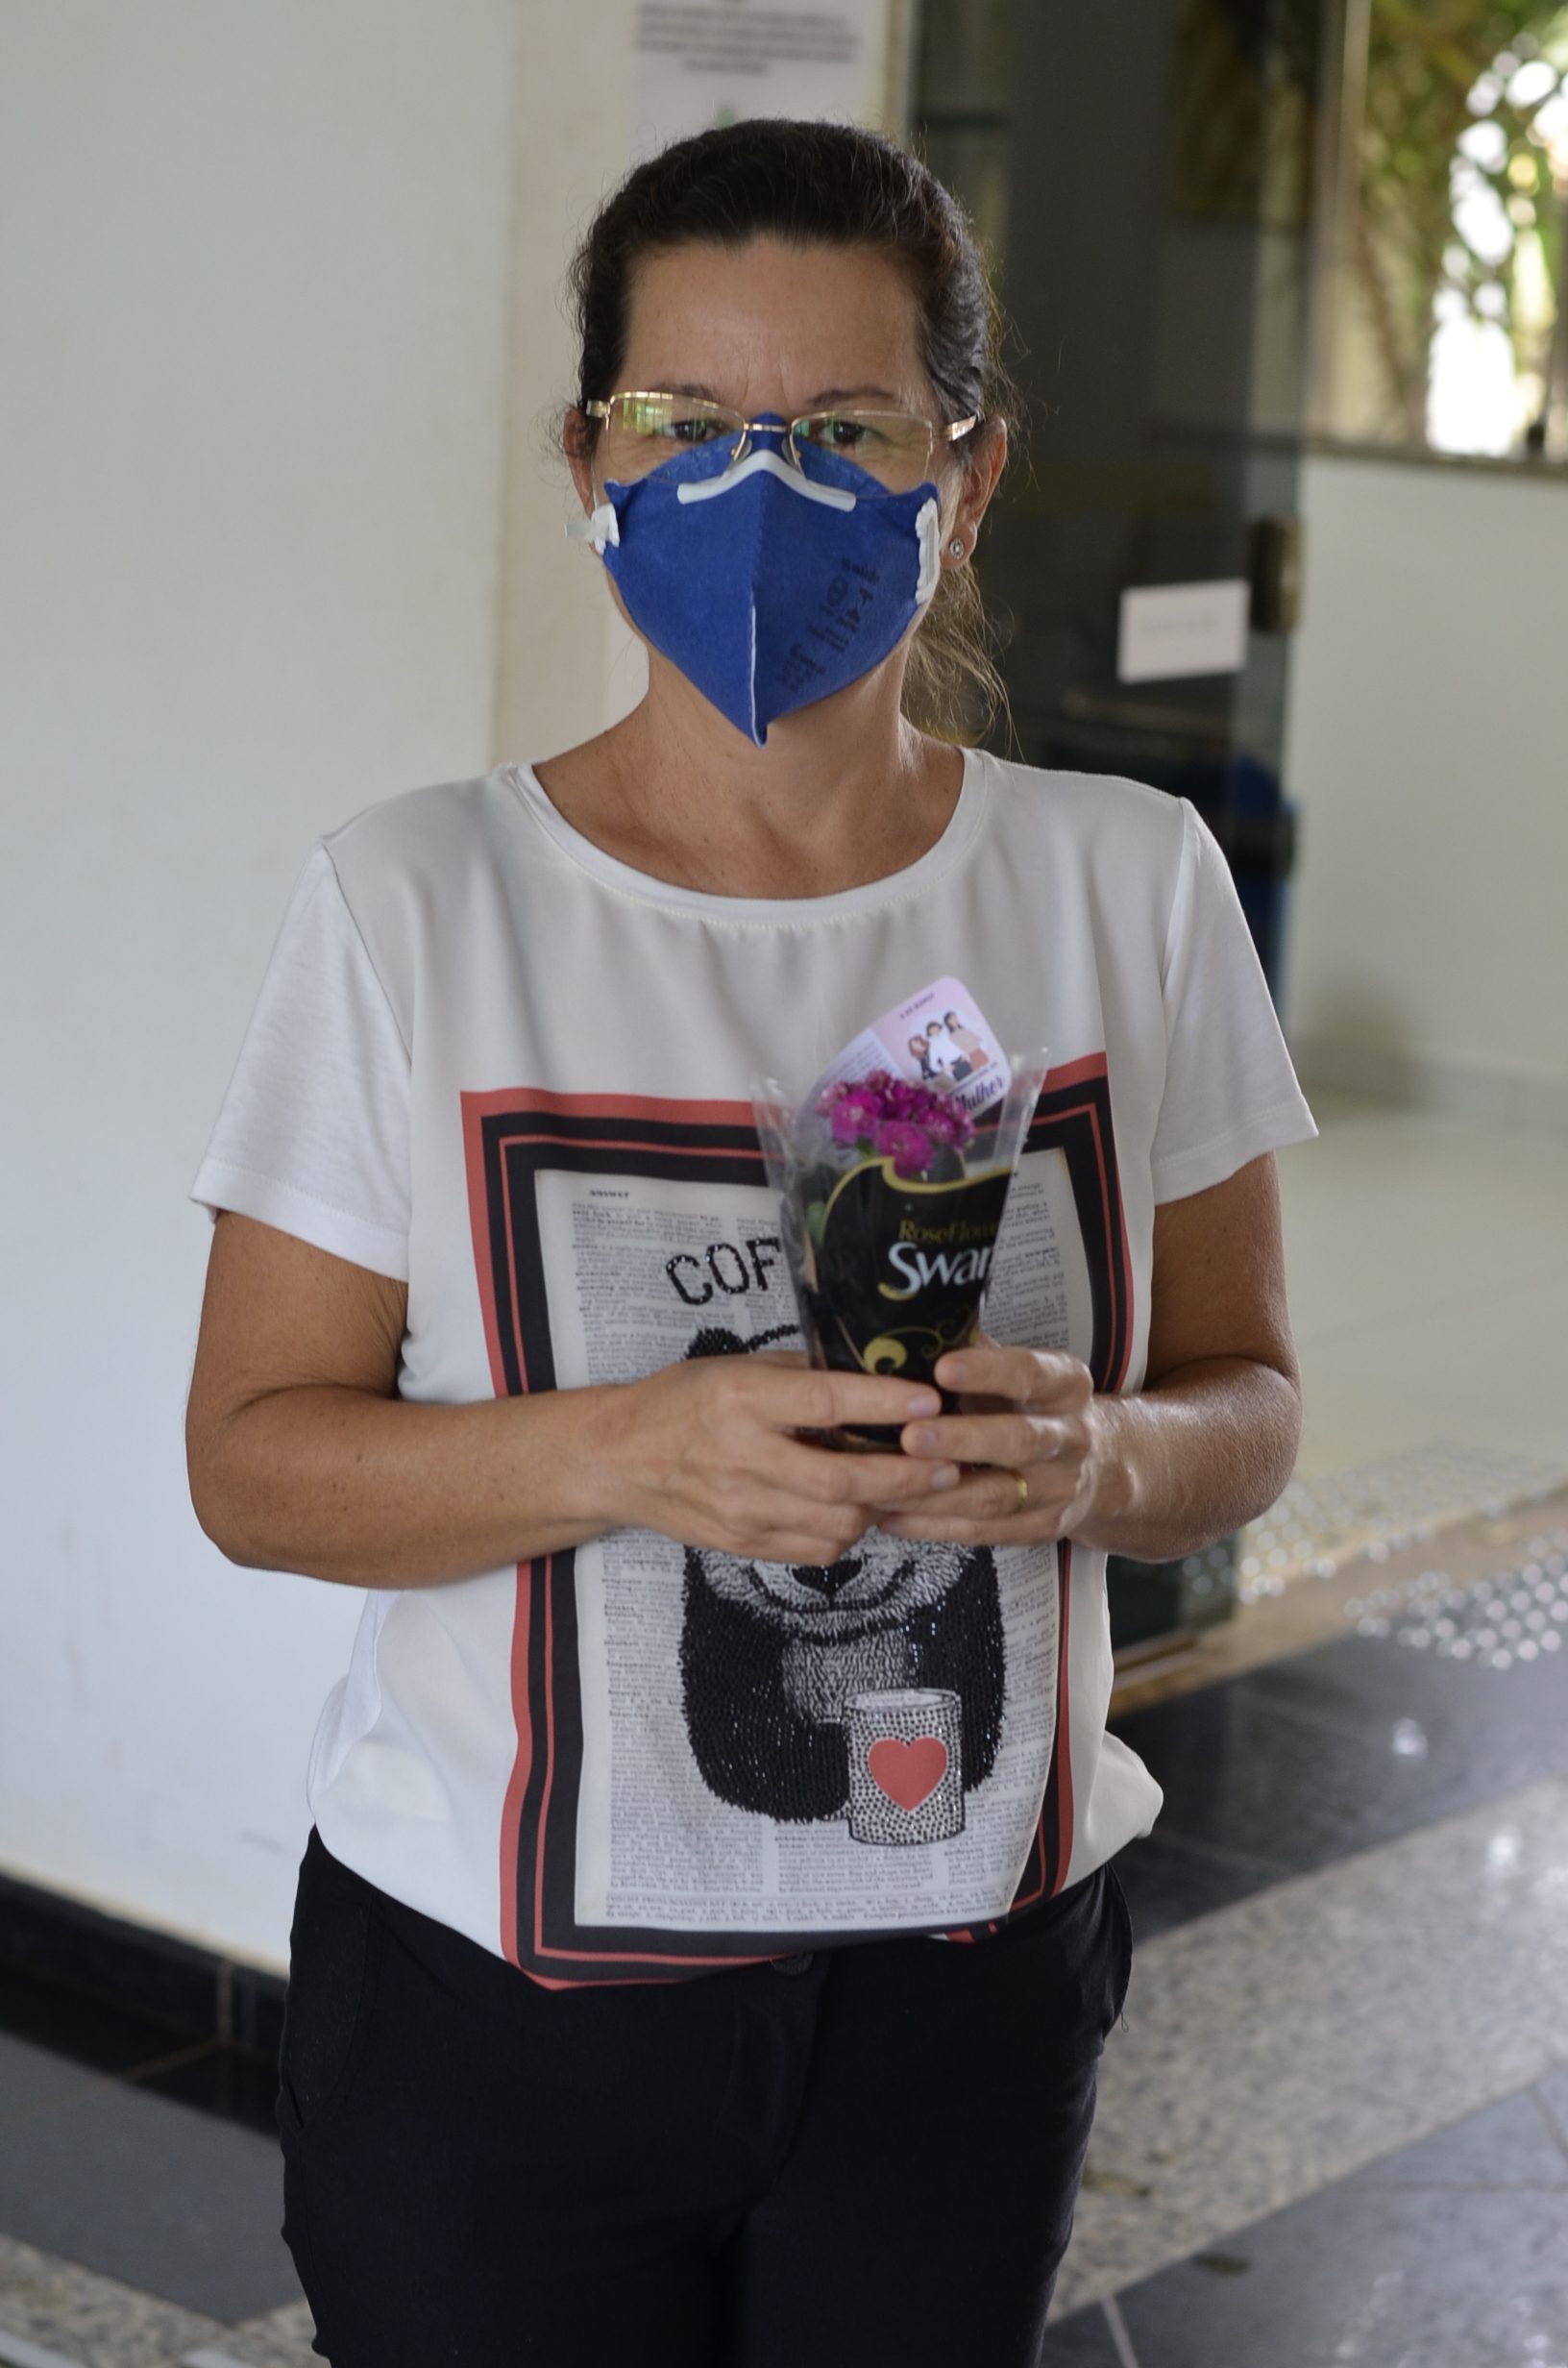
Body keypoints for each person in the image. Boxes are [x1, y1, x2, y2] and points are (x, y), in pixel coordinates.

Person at [184, 119, 1315, 2368]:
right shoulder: (417, 903)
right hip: (495, 2011)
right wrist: (636, 1448)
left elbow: (1251, 1407)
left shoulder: (1129, 882)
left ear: (966, 478)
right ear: (587, 460)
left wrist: (1095, 1458)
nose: (758, 489)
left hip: (962, 1998)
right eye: (684, 422)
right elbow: (254, 1465)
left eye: (846, 429)